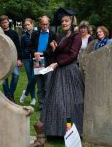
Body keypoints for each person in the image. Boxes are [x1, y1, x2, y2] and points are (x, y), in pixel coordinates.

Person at [39, 8, 84, 137]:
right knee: (56, 101)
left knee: (70, 103)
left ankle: (70, 131)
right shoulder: (61, 36)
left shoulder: (76, 37)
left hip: (70, 72)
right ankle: (55, 130)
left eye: (66, 21)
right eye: (62, 21)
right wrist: (55, 48)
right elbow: (58, 54)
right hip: (58, 72)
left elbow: (72, 55)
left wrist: (57, 63)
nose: (64, 23)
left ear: (71, 22)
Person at [29, 16, 57, 111]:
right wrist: (34, 53)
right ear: (40, 24)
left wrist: (42, 53)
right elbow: (31, 46)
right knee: (40, 85)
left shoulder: (53, 34)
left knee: (47, 84)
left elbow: (53, 50)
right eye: (43, 24)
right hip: (37, 62)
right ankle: (41, 105)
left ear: (49, 24)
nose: (45, 26)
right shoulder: (35, 34)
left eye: (46, 24)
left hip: (49, 62)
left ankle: (48, 105)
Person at [0, 15, 22, 102]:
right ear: (0, 24)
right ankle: (9, 96)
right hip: (2, 59)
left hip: (13, 58)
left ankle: (10, 94)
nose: (4, 24)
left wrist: (19, 59)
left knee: (16, 75)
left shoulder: (14, 33)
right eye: (2, 23)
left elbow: (18, 46)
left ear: (8, 22)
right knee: (4, 79)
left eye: (6, 22)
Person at [19, 18, 36, 105]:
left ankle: (25, 93)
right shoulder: (23, 36)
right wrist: (20, 59)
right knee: (30, 78)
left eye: (28, 24)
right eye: (25, 25)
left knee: (34, 78)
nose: (27, 26)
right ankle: (33, 98)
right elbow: (21, 48)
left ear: (32, 24)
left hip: (35, 58)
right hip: (26, 59)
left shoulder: (37, 34)